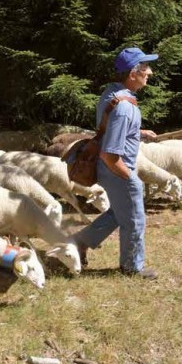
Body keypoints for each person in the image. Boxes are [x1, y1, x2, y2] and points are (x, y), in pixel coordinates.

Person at [71, 47, 159, 279]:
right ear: (132, 74)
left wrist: (138, 133)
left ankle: (81, 240)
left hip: (109, 169)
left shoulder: (113, 93)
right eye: (145, 68)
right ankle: (132, 267)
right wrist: (130, 178)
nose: (149, 72)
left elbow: (109, 129)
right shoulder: (125, 108)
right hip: (116, 169)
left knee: (120, 213)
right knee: (135, 219)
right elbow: (110, 154)